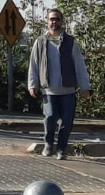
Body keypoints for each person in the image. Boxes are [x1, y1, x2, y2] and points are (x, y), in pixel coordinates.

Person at [28, 8, 91, 160]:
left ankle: (61, 149)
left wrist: (85, 87)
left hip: (68, 90)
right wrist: (32, 84)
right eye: (51, 19)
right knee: (49, 118)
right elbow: (34, 64)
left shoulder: (70, 42)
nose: (54, 22)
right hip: (48, 90)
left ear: (62, 22)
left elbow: (79, 65)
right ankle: (48, 144)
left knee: (66, 122)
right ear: (47, 21)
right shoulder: (40, 42)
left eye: (57, 19)